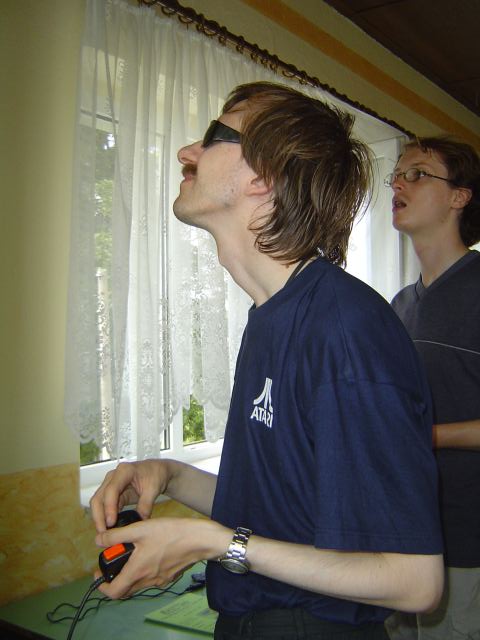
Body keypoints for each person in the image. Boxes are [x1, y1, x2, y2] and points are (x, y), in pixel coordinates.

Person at [90, 82, 444, 640]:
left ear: (265, 175)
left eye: (213, 137)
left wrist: (214, 543)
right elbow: (282, 510)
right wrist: (171, 475)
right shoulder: (270, 315)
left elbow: (414, 581)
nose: (187, 152)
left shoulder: (346, 330)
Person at [386, 136, 480, 639]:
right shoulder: (399, 305)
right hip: (402, 534)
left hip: (467, 542)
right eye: (396, 176)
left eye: (418, 174)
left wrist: (429, 436)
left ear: (459, 196)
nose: (398, 185)